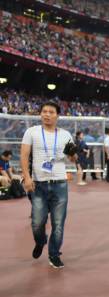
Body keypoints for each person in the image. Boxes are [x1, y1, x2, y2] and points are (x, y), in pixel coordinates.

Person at [20, 102, 76, 269]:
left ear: (57, 115)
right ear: (40, 114)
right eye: (44, 111)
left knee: (58, 223)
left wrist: (72, 154)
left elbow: (72, 159)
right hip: (39, 184)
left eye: (51, 112)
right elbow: (24, 155)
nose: (47, 114)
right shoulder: (31, 132)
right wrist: (27, 178)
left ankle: (54, 254)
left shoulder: (65, 134)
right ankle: (40, 241)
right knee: (37, 223)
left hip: (60, 184)